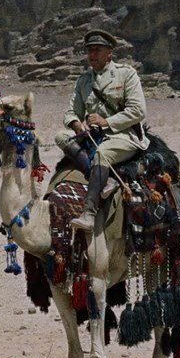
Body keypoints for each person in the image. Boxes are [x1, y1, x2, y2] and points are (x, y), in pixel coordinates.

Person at [55, 29, 149, 232]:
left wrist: (106, 121)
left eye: (97, 50)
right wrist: (77, 124)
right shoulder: (83, 81)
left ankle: (89, 213)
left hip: (124, 135)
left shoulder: (126, 74)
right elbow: (71, 112)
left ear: (110, 53)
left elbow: (138, 110)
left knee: (102, 153)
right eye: (89, 50)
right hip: (94, 135)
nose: (92, 54)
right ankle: (105, 179)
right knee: (61, 137)